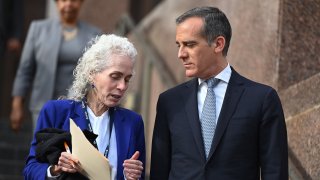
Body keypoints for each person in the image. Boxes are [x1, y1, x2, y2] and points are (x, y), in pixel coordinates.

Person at [150, 6, 288, 180]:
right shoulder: (169, 101)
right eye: (179, 45)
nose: (181, 54)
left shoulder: (262, 99)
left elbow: (275, 171)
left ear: (218, 44)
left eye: (190, 44)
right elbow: (159, 171)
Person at [24, 34, 145, 180]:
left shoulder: (133, 122)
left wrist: (132, 177)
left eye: (127, 79)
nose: (122, 86)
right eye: (115, 76)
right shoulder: (56, 112)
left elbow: (140, 175)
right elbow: (30, 170)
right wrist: (55, 170)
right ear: (92, 74)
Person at [10, 0, 102, 132]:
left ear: (81, 3)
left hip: (79, 108)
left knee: (71, 151)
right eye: (63, 0)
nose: (68, 5)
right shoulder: (38, 29)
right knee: (44, 149)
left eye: (74, 0)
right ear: (56, 3)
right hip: (42, 105)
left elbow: (97, 74)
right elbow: (25, 70)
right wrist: (17, 104)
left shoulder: (94, 34)